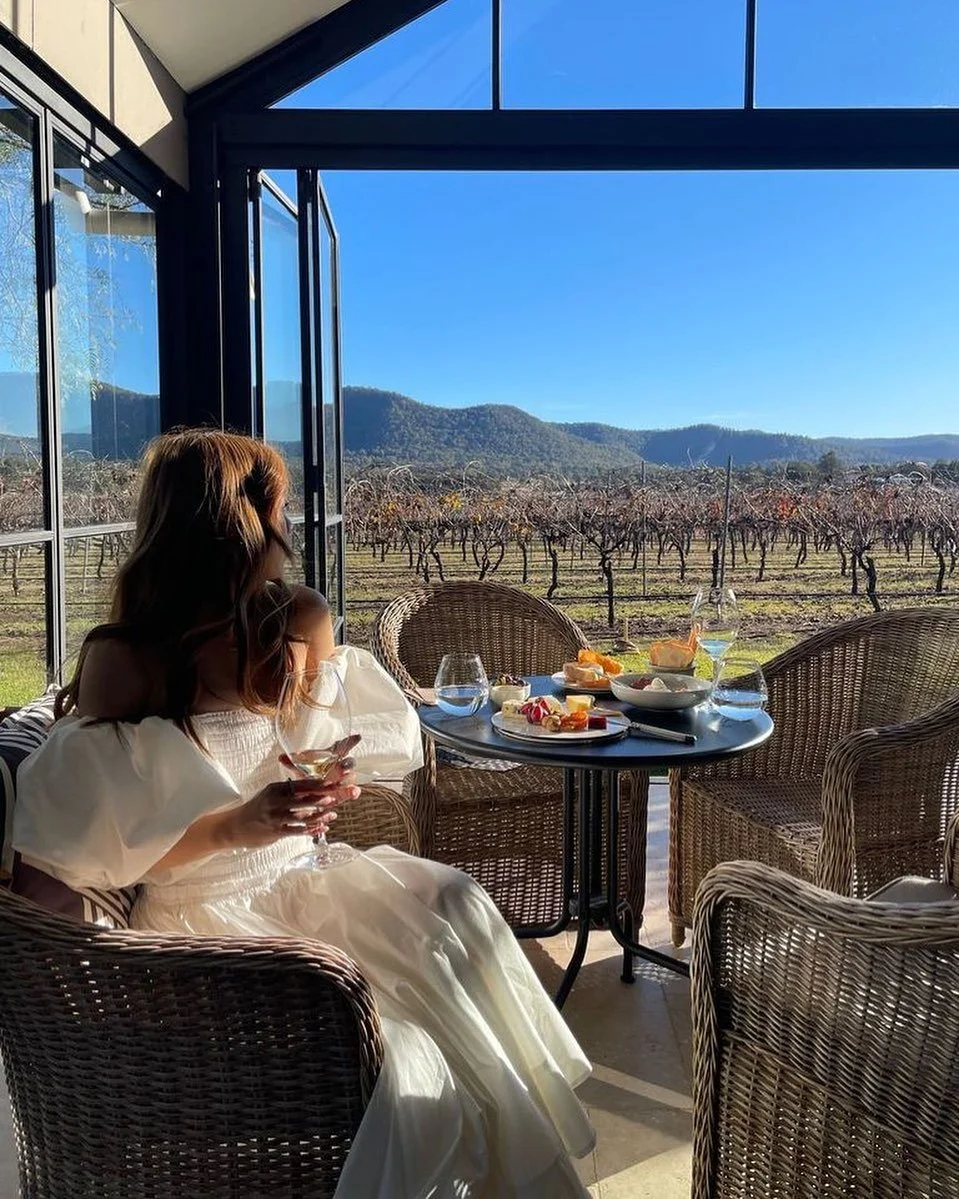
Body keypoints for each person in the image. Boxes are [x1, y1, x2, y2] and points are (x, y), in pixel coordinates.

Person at [13, 429, 594, 1199]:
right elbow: (82, 861)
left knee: (458, 906)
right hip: (204, 912)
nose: (287, 526)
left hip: (308, 876)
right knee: (408, 1049)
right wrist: (238, 823)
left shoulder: (299, 619)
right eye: (276, 506)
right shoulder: (128, 662)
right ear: (238, 520)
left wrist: (328, 781)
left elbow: (323, 748)